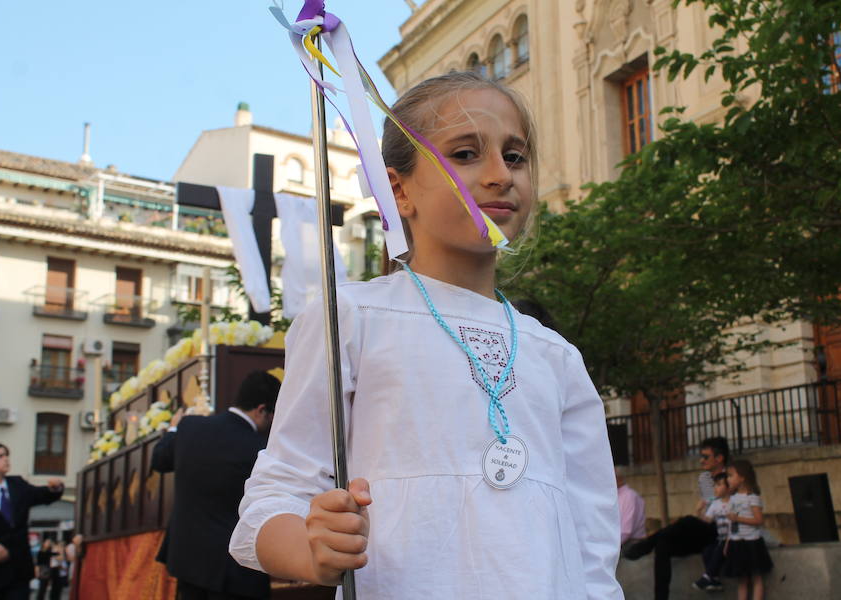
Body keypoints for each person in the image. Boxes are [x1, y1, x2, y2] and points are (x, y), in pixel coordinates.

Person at [229, 71, 622, 599]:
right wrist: (311, 546)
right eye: (465, 154)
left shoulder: (557, 355)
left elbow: (593, 537)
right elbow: (273, 497)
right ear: (399, 190)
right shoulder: (352, 317)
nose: (500, 175)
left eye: (515, 156)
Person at [152, 370, 282, 600]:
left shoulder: (189, 427)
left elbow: (159, 460)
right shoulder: (261, 448)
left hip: (188, 560)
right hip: (236, 570)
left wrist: (174, 427)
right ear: (262, 410)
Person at [623, 436, 729, 600]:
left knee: (687, 521)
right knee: (663, 543)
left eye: (705, 456)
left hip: (720, 531)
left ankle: (646, 543)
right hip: (704, 529)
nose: (701, 460)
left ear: (719, 458)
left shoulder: (730, 477)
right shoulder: (706, 480)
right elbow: (704, 511)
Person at [0, 443, 64, 600]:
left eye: (7, 455)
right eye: (0, 456)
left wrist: (55, 488)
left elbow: (41, 495)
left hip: (18, 571)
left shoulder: (18, 485)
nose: (6, 459)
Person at [723, 460, 772, 600]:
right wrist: (727, 542)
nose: (728, 479)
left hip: (751, 542)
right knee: (742, 579)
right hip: (737, 541)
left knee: (756, 577)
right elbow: (731, 525)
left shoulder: (752, 498)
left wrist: (738, 519)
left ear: (742, 477)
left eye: (731, 475)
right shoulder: (732, 498)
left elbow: (758, 520)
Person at [692, 471, 732, 592]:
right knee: (707, 550)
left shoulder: (734, 502)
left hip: (732, 538)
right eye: (715, 485)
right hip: (720, 538)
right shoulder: (715, 504)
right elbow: (708, 521)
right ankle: (713, 578)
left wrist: (728, 541)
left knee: (720, 548)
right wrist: (698, 512)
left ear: (728, 487)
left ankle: (707, 577)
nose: (716, 488)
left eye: (719, 485)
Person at [616, 468, 646, 548]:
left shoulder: (629, 496)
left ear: (618, 479)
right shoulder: (618, 496)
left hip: (631, 545)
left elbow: (626, 531)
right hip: (622, 542)